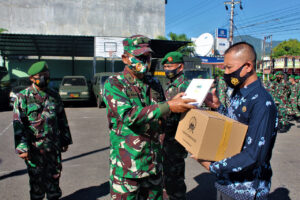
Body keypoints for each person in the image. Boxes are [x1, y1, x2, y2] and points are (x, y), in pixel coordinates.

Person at [103, 35, 196, 200]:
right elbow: (129, 116)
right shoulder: (115, 84)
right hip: (128, 167)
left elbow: (161, 115)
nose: (145, 61)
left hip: (153, 165)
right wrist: (169, 106)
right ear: (125, 58)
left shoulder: (153, 82)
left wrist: (180, 106)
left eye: (147, 56)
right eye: (140, 57)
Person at [192, 42, 278, 200]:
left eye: (229, 68)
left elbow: (254, 155)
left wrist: (212, 167)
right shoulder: (239, 93)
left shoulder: (262, 102)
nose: (225, 73)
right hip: (226, 183)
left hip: (247, 191)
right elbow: (233, 126)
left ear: (247, 66)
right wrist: (217, 107)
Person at [13, 61, 72, 200]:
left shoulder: (54, 95)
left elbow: (62, 119)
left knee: (54, 178)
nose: (45, 78)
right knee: (37, 182)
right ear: (32, 78)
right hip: (34, 149)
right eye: (41, 75)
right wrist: (22, 147)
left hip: (53, 146)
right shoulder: (23, 97)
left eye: (47, 75)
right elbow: (18, 123)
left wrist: (65, 139)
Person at [161, 51, 189, 200]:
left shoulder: (184, 86)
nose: (167, 69)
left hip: (176, 139)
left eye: (170, 66)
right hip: (167, 138)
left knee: (174, 178)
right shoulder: (171, 84)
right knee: (168, 177)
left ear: (180, 67)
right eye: (165, 66)